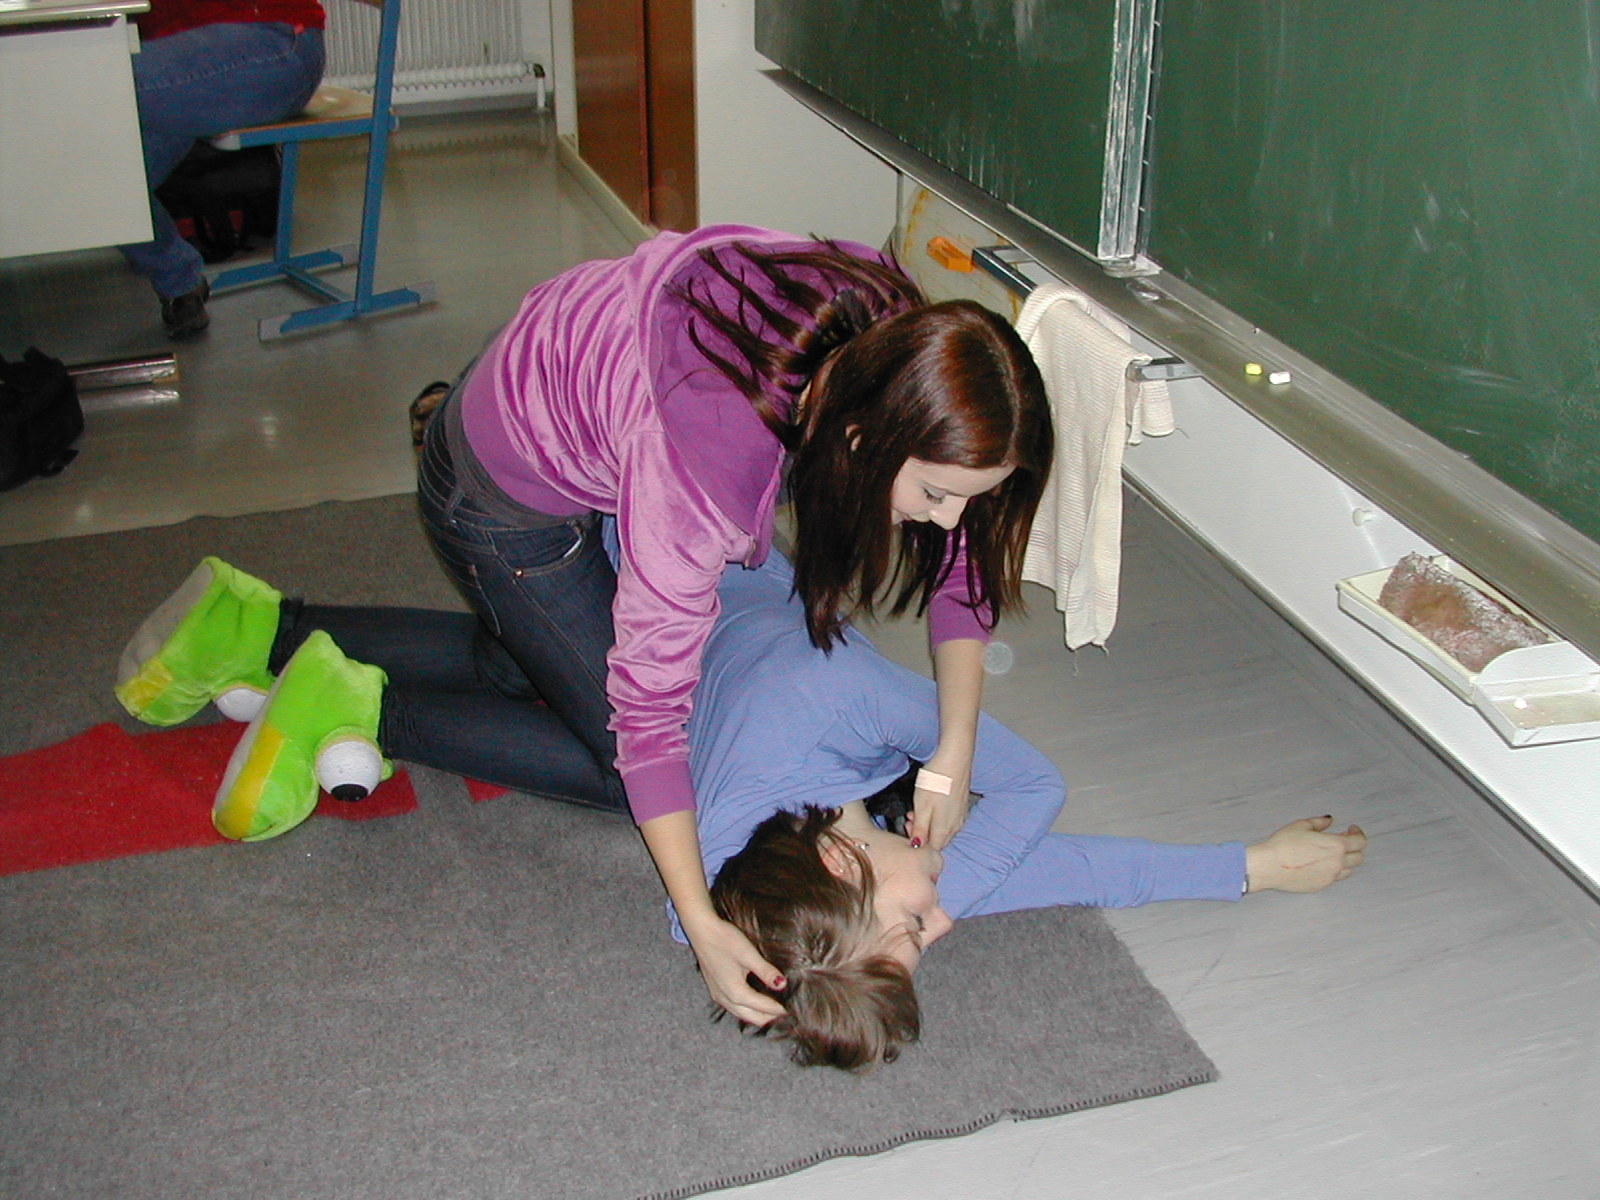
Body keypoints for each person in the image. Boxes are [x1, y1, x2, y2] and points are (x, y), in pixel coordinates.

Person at [133, 227, 1050, 1030]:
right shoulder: (707, 469)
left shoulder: (894, 343)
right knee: (626, 765)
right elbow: (648, 719)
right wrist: (702, 923)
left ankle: (257, 625)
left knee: (522, 659)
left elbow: (960, 560)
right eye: (935, 494)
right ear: (860, 438)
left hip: (553, 387)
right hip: (500, 497)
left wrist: (954, 747)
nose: (944, 521)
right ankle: (359, 707)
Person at [116, 545, 1365, 1072]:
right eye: (924, 930)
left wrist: (1250, 866)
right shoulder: (742, 876)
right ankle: (339, 680)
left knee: (602, 753)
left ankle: (300, 647)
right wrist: (1244, 868)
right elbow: (1043, 834)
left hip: (682, 630)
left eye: (915, 925)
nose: (942, 914)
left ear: (839, 862)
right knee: (562, 712)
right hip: (650, 588)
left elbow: (1038, 818)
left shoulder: (829, 772)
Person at [121, 1, 338, 338]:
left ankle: (176, 279)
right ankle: (179, 281)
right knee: (101, 178)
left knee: (98, 83)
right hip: (177, 52)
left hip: (270, 39)